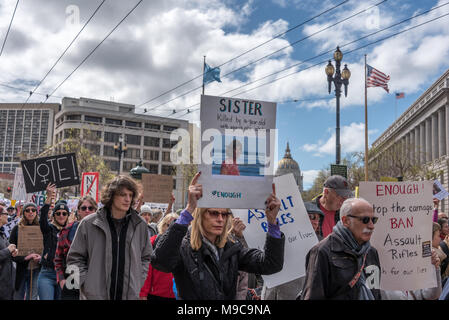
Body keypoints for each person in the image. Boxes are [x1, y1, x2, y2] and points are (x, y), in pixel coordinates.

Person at [151, 172, 285, 300]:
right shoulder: (184, 246)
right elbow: (161, 262)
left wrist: (272, 223)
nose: (220, 219)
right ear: (200, 216)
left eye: (224, 214)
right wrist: (189, 209)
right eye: (214, 213)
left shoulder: (232, 248)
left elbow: (271, 264)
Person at [67, 175, 152, 300]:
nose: (127, 199)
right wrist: (85, 285)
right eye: (123, 195)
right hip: (94, 296)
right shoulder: (88, 224)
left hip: (129, 296)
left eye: (130, 195)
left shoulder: (140, 225)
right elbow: (74, 259)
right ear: (111, 196)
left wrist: (138, 280)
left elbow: (146, 257)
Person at [301, 198, 381, 300]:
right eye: (365, 220)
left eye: (373, 220)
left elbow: (375, 293)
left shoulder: (371, 252)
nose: (371, 226)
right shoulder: (322, 251)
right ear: (346, 221)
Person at [262, 201, 324, 300]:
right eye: (311, 217)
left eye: (318, 218)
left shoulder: (322, 244)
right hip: (273, 292)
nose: (315, 222)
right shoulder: (278, 237)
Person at [54, 196, 98, 300]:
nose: (87, 211)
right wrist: (61, 280)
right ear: (78, 210)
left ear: (96, 210)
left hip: (95, 279)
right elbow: (58, 258)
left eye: (90, 208)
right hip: (72, 277)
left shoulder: (102, 231)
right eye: (84, 208)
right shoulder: (67, 230)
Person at [38, 183, 69, 300]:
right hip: (47, 273)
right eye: (58, 213)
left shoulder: (71, 231)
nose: (61, 216)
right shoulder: (48, 229)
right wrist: (49, 197)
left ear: (68, 215)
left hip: (64, 274)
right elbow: (42, 218)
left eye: (64, 213)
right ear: (54, 215)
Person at [140, 212, 179, 300]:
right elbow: (146, 270)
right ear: (163, 225)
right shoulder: (153, 242)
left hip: (177, 295)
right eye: (169, 225)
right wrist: (143, 293)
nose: (172, 229)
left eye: (175, 226)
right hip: (156, 294)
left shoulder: (184, 244)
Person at [9, 203, 41, 300]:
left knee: (32, 297)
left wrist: (40, 257)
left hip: (36, 269)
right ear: (24, 213)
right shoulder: (16, 229)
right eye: (27, 210)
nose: (30, 212)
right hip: (20, 269)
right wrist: (26, 257)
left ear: (36, 212)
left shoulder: (41, 228)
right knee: (18, 296)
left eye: (33, 210)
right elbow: (10, 251)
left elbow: (45, 248)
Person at [0, 209, 18, 300]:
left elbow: (9, 250)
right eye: (6, 214)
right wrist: (8, 250)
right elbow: (6, 251)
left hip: (7, 281)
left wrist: (13, 251)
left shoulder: (2, 233)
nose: (8, 216)